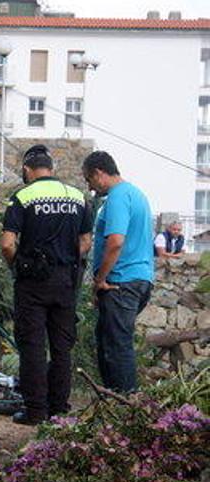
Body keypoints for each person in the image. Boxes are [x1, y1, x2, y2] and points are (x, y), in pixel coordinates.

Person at [0, 145, 93, 425]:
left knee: (33, 346)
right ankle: (59, 408)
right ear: (52, 169)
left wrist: (18, 264)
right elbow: (86, 241)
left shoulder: (22, 197)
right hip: (65, 281)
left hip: (32, 283)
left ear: (28, 170)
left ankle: (35, 411)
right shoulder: (77, 197)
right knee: (62, 348)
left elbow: (6, 243)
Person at [82, 151, 154, 393]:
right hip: (140, 279)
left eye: (88, 180)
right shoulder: (136, 194)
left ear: (99, 173)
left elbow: (115, 242)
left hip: (121, 282)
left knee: (117, 346)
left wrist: (100, 279)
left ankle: (125, 406)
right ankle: (112, 399)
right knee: (107, 342)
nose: (90, 188)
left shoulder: (118, 197)